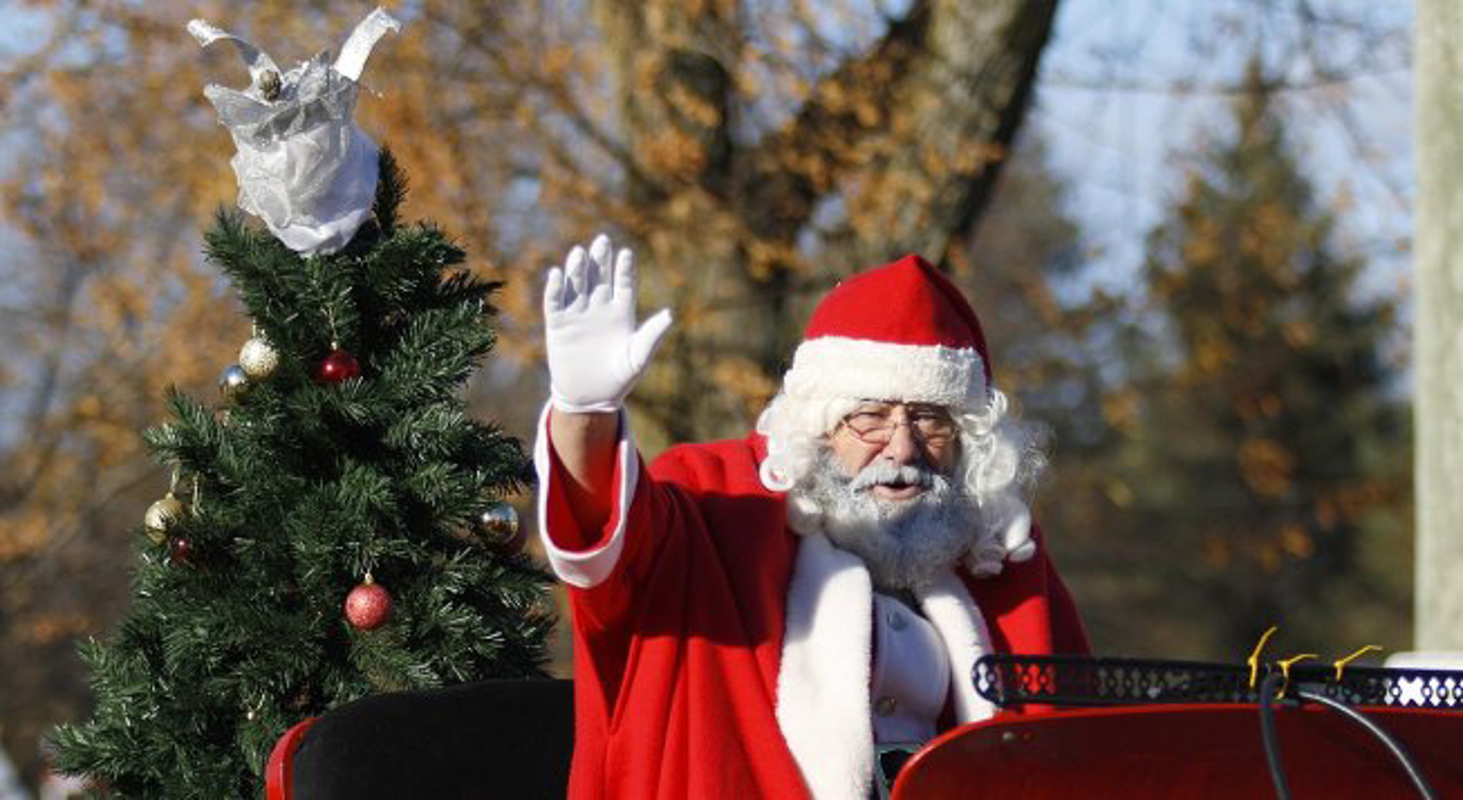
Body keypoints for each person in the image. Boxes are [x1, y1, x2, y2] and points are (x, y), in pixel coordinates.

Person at [535, 235, 1090, 800]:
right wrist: (585, 417)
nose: (902, 448)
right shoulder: (718, 507)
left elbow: (1091, 753)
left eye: (930, 419)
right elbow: (604, 541)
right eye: (869, 417)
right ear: (819, 429)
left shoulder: (1001, 558)